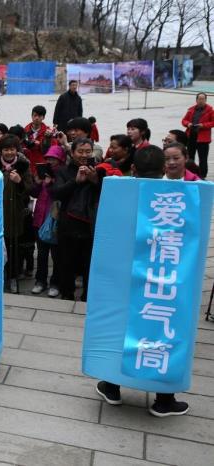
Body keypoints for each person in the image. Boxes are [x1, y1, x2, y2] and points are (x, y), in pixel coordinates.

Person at [96, 145, 190, 417]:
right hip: (163, 282)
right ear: (164, 168)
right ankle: (164, 399)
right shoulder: (179, 197)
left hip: (123, 279)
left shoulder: (118, 192)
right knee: (162, 332)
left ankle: (111, 386)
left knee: (120, 326)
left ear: (134, 168)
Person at [50, 138, 109, 302]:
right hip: (68, 224)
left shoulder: (100, 170)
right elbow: (57, 194)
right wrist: (75, 182)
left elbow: (108, 196)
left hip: (91, 225)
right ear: (72, 152)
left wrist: (95, 180)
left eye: (88, 151)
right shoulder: (63, 171)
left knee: (89, 263)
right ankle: (66, 294)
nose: (84, 155)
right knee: (66, 262)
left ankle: (87, 297)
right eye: (80, 151)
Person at [0, 134, 32, 294]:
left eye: (12, 149)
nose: (9, 153)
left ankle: (13, 276)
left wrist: (19, 182)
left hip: (16, 212)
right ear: (1, 151)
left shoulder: (23, 165)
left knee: (14, 246)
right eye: (6, 149)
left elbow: (30, 188)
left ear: (16, 150)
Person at [30, 145, 64, 297]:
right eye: (48, 158)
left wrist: (51, 184)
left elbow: (60, 195)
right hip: (40, 219)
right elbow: (34, 194)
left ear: (60, 160)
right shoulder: (43, 174)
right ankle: (40, 281)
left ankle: (55, 283)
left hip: (55, 220)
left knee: (57, 256)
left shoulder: (62, 175)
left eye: (54, 159)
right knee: (42, 254)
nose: (50, 161)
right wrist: (38, 183)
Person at [182, 92, 213, 179]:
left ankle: (202, 176)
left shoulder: (210, 110)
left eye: (203, 99)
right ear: (196, 100)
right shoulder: (191, 110)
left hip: (203, 139)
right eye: (199, 99)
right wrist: (188, 124)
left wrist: (203, 125)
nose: (201, 101)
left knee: (203, 159)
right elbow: (184, 120)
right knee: (190, 157)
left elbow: (213, 122)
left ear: (206, 100)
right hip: (191, 137)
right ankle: (189, 174)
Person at [23, 105, 52, 173]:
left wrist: (42, 143)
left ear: (43, 117)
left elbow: (51, 151)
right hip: (27, 165)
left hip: (42, 165)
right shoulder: (24, 131)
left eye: (39, 116)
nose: (36, 118)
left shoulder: (49, 132)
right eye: (35, 115)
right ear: (31, 116)